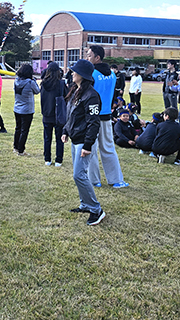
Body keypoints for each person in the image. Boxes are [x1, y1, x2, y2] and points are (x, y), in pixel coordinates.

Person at [61, 59, 106, 226]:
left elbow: (94, 122)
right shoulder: (75, 91)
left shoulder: (91, 95)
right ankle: (85, 204)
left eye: (75, 71)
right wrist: (66, 131)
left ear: (83, 75)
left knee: (78, 174)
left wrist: (88, 145)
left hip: (84, 142)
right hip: (75, 139)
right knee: (79, 174)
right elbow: (71, 114)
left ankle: (96, 209)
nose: (72, 73)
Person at [85, 46, 128, 188]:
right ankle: (116, 180)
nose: (87, 57)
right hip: (106, 115)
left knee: (90, 148)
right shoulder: (112, 74)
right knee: (108, 148)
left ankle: (93, 180)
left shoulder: (92, 74)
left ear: (97, 58)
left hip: (92, 116)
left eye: (89, 55)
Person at [40, 61, 67, 167]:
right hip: (58, 114)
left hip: (47, 113)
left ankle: (47, 159)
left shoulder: (44, 83)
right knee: (59, 138)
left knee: (47, 138)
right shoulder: (61, 84)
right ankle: (58, 160)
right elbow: (66, 96)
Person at [13, 64, 40, 156]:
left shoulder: (16, 81)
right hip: (27, 110)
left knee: (18, 128)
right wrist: (34, 80)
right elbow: (37, 91)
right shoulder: (30, 82)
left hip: (17, 107)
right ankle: (21, 150)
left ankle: (16, 147)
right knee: (24, 130)